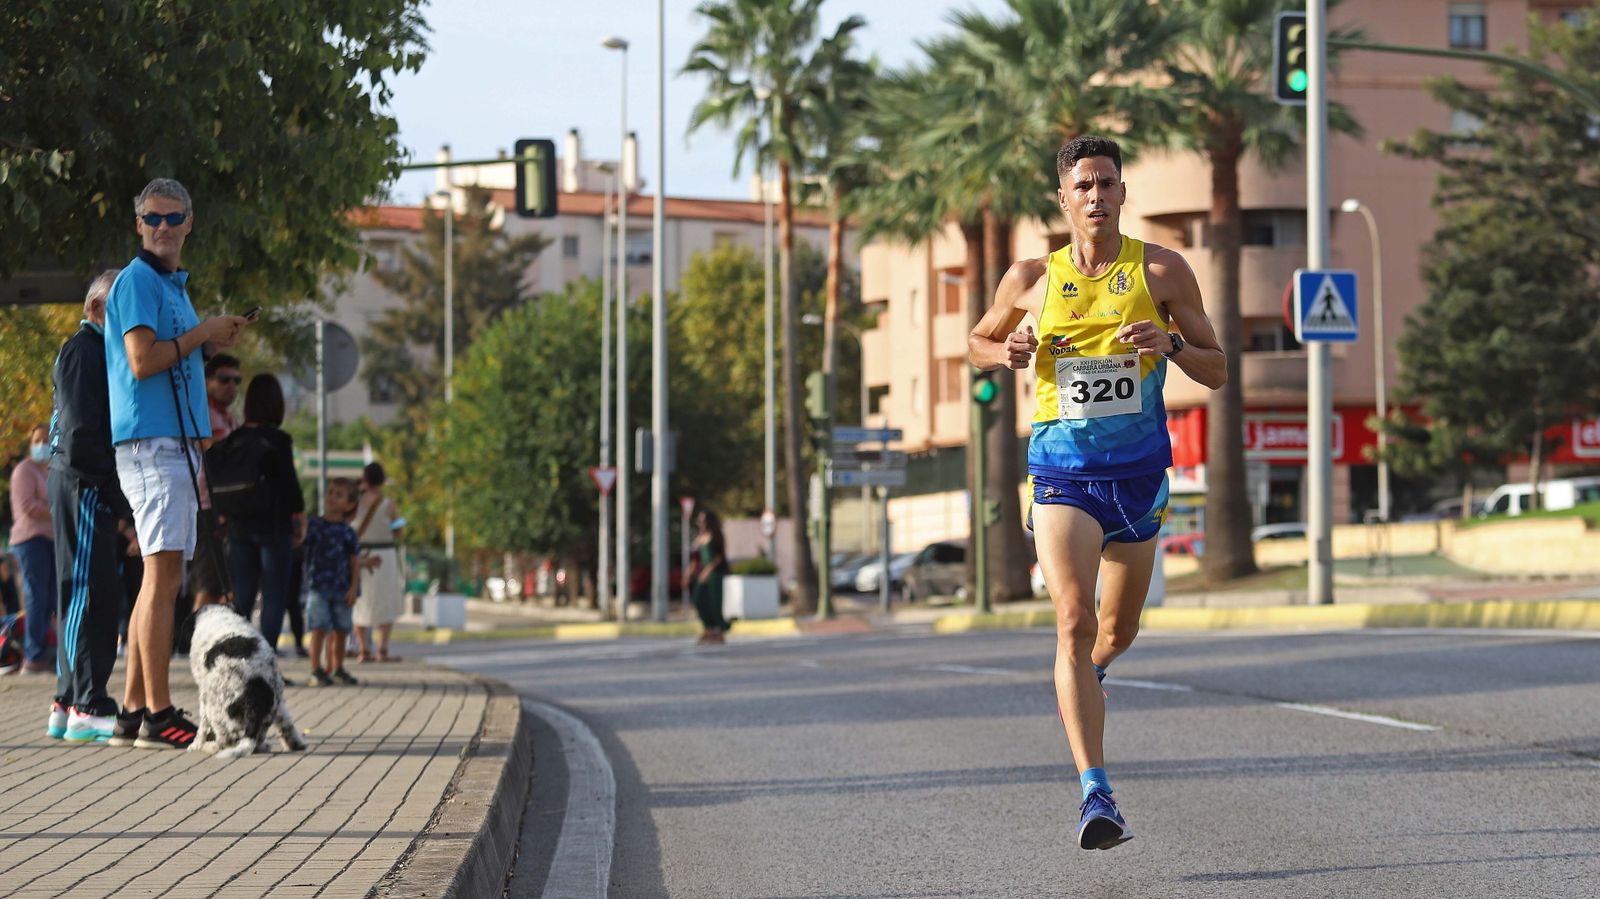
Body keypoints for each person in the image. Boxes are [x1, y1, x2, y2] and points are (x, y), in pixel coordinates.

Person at [967, 135, 1227, 850]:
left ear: (1121, 193)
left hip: (1138, 477)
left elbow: (1218, 369)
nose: (1096, 196)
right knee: (1074, 620)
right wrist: (1005, 350)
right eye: (1083, 185)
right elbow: (977, 342)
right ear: (1063, 198)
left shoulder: (1163, 271)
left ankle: (1092, 673)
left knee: (1116, 632)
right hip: (1062, 472)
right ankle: (1096, 792)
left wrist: (1171, 346)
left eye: (1107, 183)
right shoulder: (1030, 278)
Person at [105, 177, 249, 750]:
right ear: (139, 224)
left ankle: (134, 711)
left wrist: (209, 340)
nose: (162, 227)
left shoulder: (167, 284)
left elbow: (168, 355)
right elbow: (142, 361)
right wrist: (203, 333)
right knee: (163, 580)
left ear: (189, 222)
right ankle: (158, 714)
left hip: (171, 445)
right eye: (153, 218)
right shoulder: (139, 280)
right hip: (154, 443)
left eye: (172, 217)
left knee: (159, 579)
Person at [46, 270, 134, 742]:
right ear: (98, 309)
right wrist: (119, 498)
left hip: (84, 482)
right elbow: (81, 436)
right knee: (87, 593)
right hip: (83, 483)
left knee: (92, 592)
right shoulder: (85, 350)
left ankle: (68, 699)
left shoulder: (93, 351)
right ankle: (87, 703)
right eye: (123, 307)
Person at [222, 374, 304, 654]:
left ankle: (239, 656)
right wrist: (299, 517)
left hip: (239, 525)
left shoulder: (234, 440)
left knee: (243, 595)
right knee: (274, 595)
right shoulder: (277, 440)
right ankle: (266, 657)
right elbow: (290, 486)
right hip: (274, 527)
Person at [302, 478, 375, 687]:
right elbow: (302, 546)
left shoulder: (348, 531)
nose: (332, 497)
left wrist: (353, 588)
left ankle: (337, 668)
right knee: (318, 629)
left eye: (339, 495)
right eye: (331, 492)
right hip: (318, 587)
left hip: (342, 589)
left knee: (341, 631)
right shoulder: (314, 525)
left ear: (349, 505)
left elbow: (354, 561)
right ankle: (316, 669)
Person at [189, 352, 242, 611]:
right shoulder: (202, 413)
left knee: (222, 587)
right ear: (207, 381)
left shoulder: (229, 418)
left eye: (236, 381)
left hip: (221, 507)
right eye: (224, 379)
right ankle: (194, 635)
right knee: (208, 586)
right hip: (204, 506)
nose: (231, 386)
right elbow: (212, 452)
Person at [9, 425, 56, 674]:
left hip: (51, 539)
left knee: (50, 597)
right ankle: (33, 655)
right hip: (30, 540)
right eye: (38, 440)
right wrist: (58, 508)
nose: (42, 444)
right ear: (30, 444)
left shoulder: (53, 469)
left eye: (47, 439)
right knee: (36, 596)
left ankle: (44, 650)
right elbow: (29, 507)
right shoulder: (23, 471)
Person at [352, 463, 404, 663]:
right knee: (385, 599)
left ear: (364, 479)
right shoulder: (388, 504)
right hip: (385, 556)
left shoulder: (354, 502)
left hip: (360, 554)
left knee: (360, 601)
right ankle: (382, 650)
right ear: (382, 480)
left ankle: (363, 649)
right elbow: (399, 530)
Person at [689, 508, 731, 645]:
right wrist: (689, 573)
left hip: (714, 573)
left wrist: (708, 570)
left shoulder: (716, 536)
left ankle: (717, 630)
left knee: (714, 602)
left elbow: (719, 557)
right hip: (701, 574)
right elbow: (695, 558)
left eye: (702, 520)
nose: (700, 523)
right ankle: (708, 627)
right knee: (698, 599)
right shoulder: (699, 537)